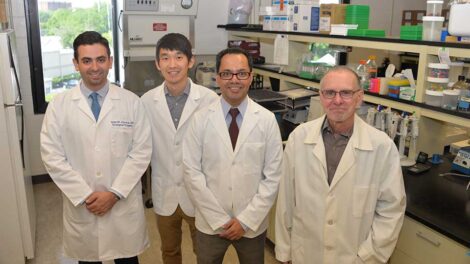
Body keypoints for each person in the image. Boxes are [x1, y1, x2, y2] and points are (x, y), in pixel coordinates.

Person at [275, 66, 406, 264]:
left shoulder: (382, 146)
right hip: (306, 254)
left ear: (359, 97)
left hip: (356, 257)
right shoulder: (299, 138)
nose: (337, 101)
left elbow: (391, 211)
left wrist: (368, 257)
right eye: (329, 93)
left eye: (346, 93)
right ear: (320, 96)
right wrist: (285, 252)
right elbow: (286, 201)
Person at [40, 31, 151, 264]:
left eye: (101, 59)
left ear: (110, 61)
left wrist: (114, 194)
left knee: (127, 260)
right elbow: (52, 155)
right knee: (88, 259)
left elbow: (141, 152)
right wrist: (84, 195)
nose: (95, 67)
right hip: (83, 204)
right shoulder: (60, 106)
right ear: (75, 64)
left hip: (121, 203)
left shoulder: (131, 102)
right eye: (86, 60)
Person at [182, 47, 283, 264]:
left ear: (250, 77)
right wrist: (218, 219)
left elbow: (272, 177)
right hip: (210, 223)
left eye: (241, 73)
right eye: (227, 73)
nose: (234, 80)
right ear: (218, 78)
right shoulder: (200, 120)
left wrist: (246, 221)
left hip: (252, 224)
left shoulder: (266, 120)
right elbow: (192, 174)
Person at [141, 33, 218, 264]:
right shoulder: (146, 101)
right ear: (157, 64)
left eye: (178, 57)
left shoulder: (209, 99)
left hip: (200, 194)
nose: (172, 64)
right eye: (165, 58)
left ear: (190, 61)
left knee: (205, 253)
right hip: (164, 192)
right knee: (170, 252)